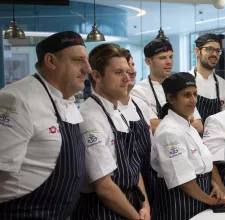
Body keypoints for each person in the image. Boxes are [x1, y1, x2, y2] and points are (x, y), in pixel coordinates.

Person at [0, 31, 89, 219]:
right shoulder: (16, 99)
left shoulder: (68, 102)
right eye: (78, 60)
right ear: (50, 61)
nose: (87, 69)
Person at [72, 44, 149, 220]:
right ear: (97, 76)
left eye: (127, 71)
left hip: (131, 203)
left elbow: (133, 167)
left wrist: (144, 204)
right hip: (102, 210)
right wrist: (136, 217)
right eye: (118, 73)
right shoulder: (90, 117)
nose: (127, 77)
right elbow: (104, 187)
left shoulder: (119, 112)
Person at [151, 72, 225, 220]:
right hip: (179, 202)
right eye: (186, 95)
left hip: (200, 197)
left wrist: (212, 185)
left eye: (195, 94)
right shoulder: (169, 132)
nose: (193, 100)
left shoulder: (188, 126)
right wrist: (211, 201)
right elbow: (183, 180)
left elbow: (200, 165)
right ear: (171, 98)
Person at [131, 38, 204, 133]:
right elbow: (152, 126)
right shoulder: (138, 91)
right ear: (148, 62)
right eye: (162, 58)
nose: (169, 62)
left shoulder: (181, 85)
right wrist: (187, 121)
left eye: (171, 57)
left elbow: (199, 126)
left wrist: (162, 123)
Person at [119, 49, 159, 210]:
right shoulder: (110, 109)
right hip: (126, 185)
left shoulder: (139, 103)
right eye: (125, 66)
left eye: (133, 64)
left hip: (149, 175)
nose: (133, 71)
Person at [190, 33, 225, 121]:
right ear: (197, 51)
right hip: (191, 133)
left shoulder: (223, 84)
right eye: (209, 49)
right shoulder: (186, 80)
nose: (214, 54)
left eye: (217, 51)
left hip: (218, 133)